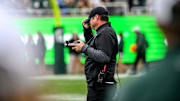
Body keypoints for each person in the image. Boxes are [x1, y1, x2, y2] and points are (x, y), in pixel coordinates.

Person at [115, 0, 180, 101]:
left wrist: (138, 48)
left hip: (141, 50)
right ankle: (137, 69)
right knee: (141, 61)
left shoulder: (137, 91)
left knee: (140, 61)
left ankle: (134, 69)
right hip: (142, 51)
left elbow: (140, 43)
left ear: (160, 25)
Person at [68, 7, 118, 101]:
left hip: (101, 86)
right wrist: (87, 31)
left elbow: (104, 57)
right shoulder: (103, 31)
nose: (89, 22)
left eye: (90, 19)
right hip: (99, 85)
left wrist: (84, 48)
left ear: (96, 17)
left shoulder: (105, 32)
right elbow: (94, 47)